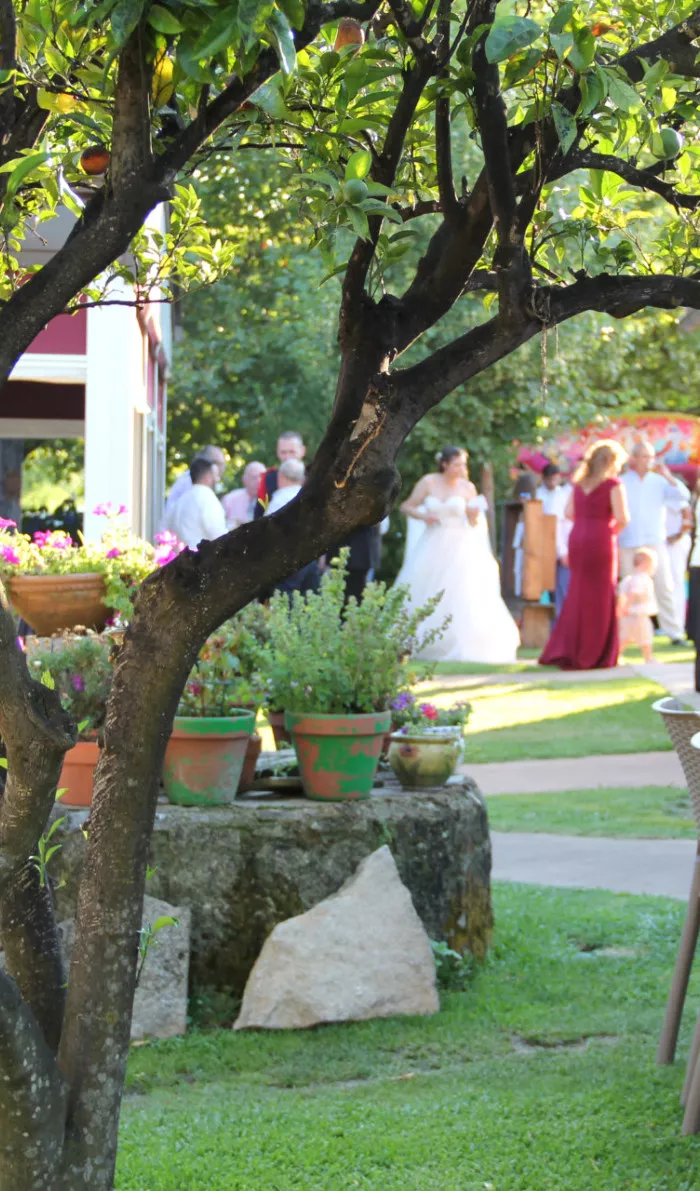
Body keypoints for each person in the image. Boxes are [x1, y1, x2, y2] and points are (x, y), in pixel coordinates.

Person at [394, 446, 520, 664]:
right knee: (427, 588)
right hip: (434, 543)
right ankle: (419, 641)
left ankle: (459, 642)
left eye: (463, 464)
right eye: (456, 464)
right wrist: (424, 516)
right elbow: (407, 506)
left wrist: (473, 514)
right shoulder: (429, 482)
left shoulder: (467, 487)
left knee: (462, 592)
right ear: (445, 464)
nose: (461, 468)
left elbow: (473, 522)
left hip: (461, 545)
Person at [539, 440, 629, 670]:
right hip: (600, 539)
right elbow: (623, 518)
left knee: (577, 593)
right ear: (611, 462)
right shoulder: (612, 484)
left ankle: (571, 648)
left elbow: (569, 513)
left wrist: (586, 523)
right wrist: (608, 531)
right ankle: (596, 653)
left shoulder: (578, 484)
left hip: (578, 537)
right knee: (601, 594)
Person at [619, 441, 688, 644]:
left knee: (663, 586)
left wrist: (667, 475)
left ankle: (674, 632)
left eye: (650, 456)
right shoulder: (623, 481)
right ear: (633, 458)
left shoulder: (659, 481)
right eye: (642, 456)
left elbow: (682, 496)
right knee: (627, 587)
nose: (647, 461)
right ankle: (626, 634)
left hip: (654, 540)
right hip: (628, 540)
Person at [265, 459, 320, 595]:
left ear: (281, 476)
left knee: (284, 598)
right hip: (310, 557)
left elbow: (267, 533)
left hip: (287, 559)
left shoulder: (278, 501)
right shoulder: (312, 498)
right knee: (311, 599)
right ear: (302, 478)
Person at [168, 456, 227, 550]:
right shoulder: (208, 498)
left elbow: (166, 528)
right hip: (200, 559)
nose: (218, 479)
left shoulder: (180, 501)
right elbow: (218, 534)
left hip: (179, 559)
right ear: (208, 476)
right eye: (216, 475)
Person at [163, 445, 227, 526]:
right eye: (219, 464)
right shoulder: (198, 490)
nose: (222, 468)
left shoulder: (190, 483)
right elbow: (215, 528)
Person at [618, 548, 657, 664]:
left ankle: (616, 655)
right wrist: (625, 607)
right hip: (639, 614)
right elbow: (632, 594)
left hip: (629, 614)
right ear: (646, 564)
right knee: (646, 636)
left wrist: (622, 608)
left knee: (625, 637)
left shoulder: (628, 579)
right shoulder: (641, 579)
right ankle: (648, 657)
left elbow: (621, 595)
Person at [254, 431, 306, 518]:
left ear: (303, 451)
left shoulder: (314, 475)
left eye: (292, 452)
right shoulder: (268, 479)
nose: (287, 457)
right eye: (283, 452)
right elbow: (259, 514)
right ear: (277, 452)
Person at [221, 461, 266, 529]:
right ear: (244, 479)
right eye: (254, 477)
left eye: (262, 477)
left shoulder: (272, 499)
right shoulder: (230, 499)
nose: (259, 481)